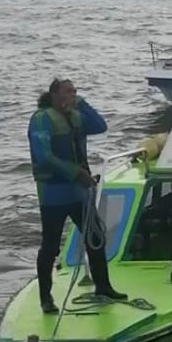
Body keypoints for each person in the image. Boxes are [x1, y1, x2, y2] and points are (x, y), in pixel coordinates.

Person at [29, 78, 128, 314]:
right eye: (67, 92)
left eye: (74, 92)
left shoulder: (76, 116)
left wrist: (81, 102)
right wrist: (75, 173)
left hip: (78, 193)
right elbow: (43, 156)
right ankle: (46, 298)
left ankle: (103, 287)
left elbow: (100, 126)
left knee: (96, 237)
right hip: (53, 193)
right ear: (53, 94)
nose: (71, 96)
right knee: (51, 246)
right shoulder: (42, 119)